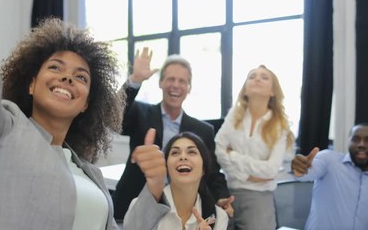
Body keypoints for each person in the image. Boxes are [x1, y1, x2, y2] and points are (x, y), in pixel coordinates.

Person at [0, 0, 126, 229]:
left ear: (86, 104)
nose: (67, 78)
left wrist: (153, 194)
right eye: (55, 67)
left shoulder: (90, 172)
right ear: (31, 83)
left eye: (81, 77)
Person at [112, 47, 232, 220]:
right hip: (135, 204)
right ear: (160, 83)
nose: (176, 85)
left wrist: (221, 197)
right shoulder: (140, 113)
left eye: (182, 81)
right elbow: (115, 118)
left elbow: (212, 173)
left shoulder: (203, 130)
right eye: (170, 79)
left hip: (181, 210)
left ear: (188, 88)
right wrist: (135, 79)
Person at [214, 65, 295, 230]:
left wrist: (234, 156)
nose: (257, 79)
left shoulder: (280, 125)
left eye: (264, 77)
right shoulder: (234, 115)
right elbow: (219, 150)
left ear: (273, 91)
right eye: (252, 76)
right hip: (227, 193)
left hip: (259, 198)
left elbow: (270, 170)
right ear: (245, 90)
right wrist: (246, 176)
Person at [124, 130, 229, 230]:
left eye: (191, 152)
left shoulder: (216, 217)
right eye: (175, 153)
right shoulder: (141, 206)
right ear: (167, 167)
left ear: (204, 169)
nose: (183, 157)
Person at [291, 123, 368, 230]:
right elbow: (307, 173)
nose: (361, 144)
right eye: (355, 139)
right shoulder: (328, 160)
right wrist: (300, 170)